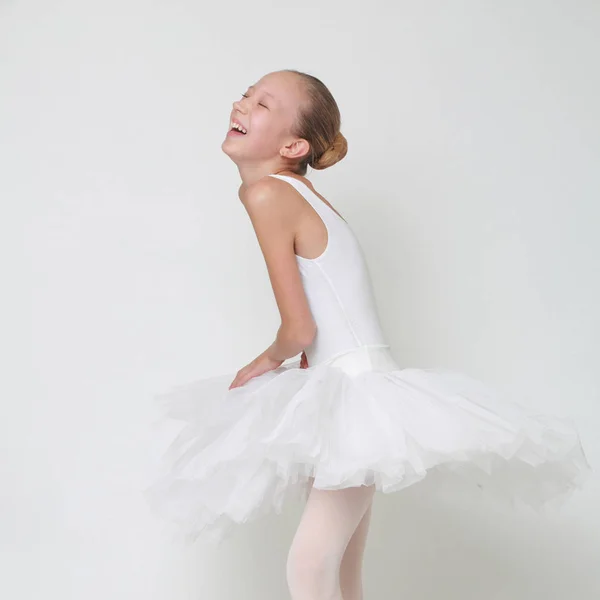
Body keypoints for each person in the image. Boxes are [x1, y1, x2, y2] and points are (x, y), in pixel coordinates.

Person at [144, 69, 592, 600]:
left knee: (310, 567)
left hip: (353, 393)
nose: (241, 104)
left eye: (263, 103)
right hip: (353, 390)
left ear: (294, 144)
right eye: (246, 93)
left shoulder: (269, 194)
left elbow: (300, 328)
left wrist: (261, 365)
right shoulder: (296, 190)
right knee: (342, 567)